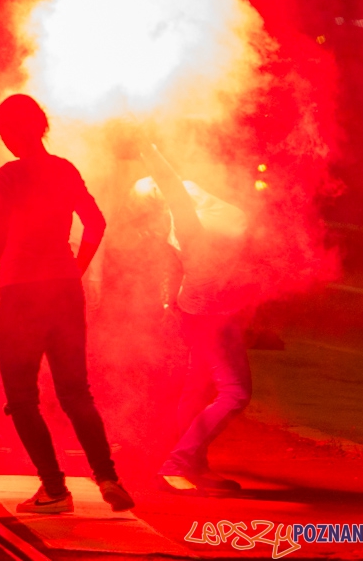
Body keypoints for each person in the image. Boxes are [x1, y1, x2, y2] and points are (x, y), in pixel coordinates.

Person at [0, 94, 134, 514]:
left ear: (9, 132)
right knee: (76, 392)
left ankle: (54, 488)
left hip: (22, 291)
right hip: (63, 289)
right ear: (42, 127)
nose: (5, 140)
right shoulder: (64, 169)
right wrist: (75, 269)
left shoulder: (7, 175)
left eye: (4, 132)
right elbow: (96, 223)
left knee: (22, 396)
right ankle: (107, 476)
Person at [135, 144, 251, 495]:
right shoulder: (188, 222)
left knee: (198, 388)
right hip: (209, 315)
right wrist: (146, 142)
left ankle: (192, 465)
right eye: (157, 189)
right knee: (235, 393)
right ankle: (179, 463)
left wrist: (170, 305)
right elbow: (171, 182)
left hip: (205, 311)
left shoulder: (195, 219)